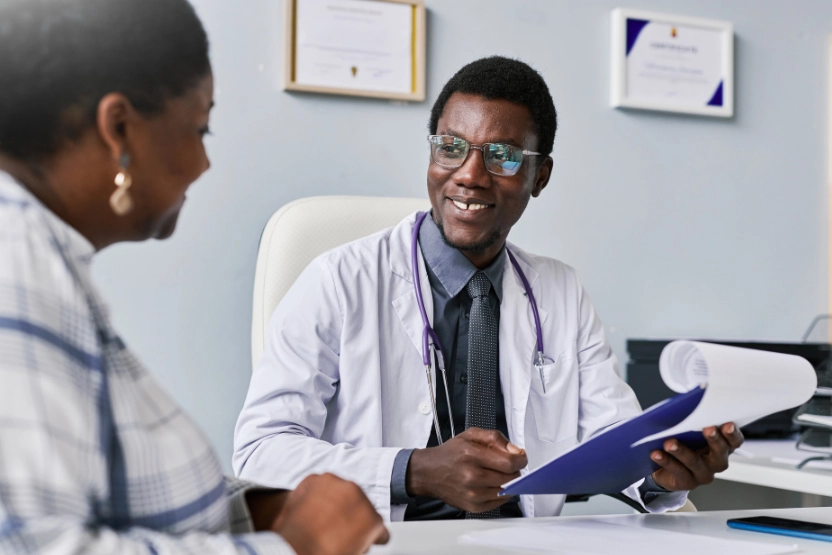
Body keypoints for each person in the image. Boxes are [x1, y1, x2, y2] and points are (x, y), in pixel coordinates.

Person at [233, 56, 745, 522]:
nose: (469, 176)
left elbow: (615, 441)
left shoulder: (559, 290)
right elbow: (259, 451)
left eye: (501, 156)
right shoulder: (338, 279)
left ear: (539, 176)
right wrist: (414, 470)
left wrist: (659, 476)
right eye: (451, 148)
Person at [0, 1, 388, 553]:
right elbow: (36, 546)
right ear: (118, 128)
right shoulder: (15, 264)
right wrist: (296, 546)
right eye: (199, 128)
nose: (205, 163)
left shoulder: (46, 255)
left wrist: (251, 511)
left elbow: (115, 498)